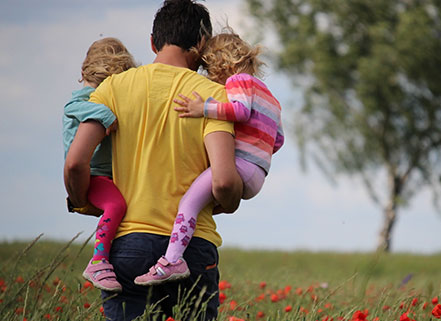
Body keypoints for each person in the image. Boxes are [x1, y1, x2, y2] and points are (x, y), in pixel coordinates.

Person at [63, 0, 244, 319]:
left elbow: (76, 163)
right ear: (201, 45)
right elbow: (225, 180)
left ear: (152, 41)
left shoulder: (112, 88)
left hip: (127, 245)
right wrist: (227, 202)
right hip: (193, 249)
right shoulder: (212, 96)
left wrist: (83, 201)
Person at [134, 30, 284, 286]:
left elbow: (240, 111)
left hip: (240, 166)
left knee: (188, 203)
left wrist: (202, 108)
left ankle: (171, 261)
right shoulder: (270, 97)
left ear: (221, 64)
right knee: (202, 202)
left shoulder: (238, 81)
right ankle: (179, 250)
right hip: (258, 173)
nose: (208, 76)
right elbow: (278, 140)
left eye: (208, 68)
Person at [63, 37, 135, 292]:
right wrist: (106, 115)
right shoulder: (85, 99)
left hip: (105, 175)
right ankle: (98, 260)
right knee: (116, 205)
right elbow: (75, 107)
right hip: (92, 175)